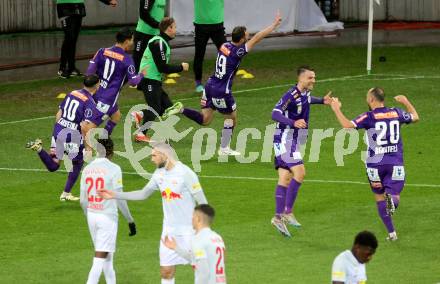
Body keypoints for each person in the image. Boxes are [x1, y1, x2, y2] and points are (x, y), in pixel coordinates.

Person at [162, 12, 282, 156]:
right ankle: (224, 148)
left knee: (205, 120)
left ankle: (181, 109)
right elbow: (257, 38)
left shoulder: (224, 45)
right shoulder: (238, 52)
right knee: (232, 118)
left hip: (210, 85)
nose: (249, 36)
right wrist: (274, 25)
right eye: (247, 34)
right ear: (243, 38)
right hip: (221, 91)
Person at [98, 143, 208, 284]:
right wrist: (114, 194)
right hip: (168, 231)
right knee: (166, 271)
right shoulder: (159, 174)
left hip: (189, 231)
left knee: (201, 269)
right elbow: (143, 194)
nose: (152, 159)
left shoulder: (186, 173)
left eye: (154, 155)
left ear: (165, 155)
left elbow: (203, 203)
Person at [330, 88, 419, 241]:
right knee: (394, 195)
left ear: (371, 99)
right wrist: (405, 102)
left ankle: (392, 233)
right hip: (394, 162)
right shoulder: (396, 113)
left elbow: (347, 125)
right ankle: (392, 202)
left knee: (379, 197)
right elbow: (415, 117)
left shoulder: (368, 116)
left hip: (374, 165)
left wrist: (336, 109)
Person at [270, 66, 332, 237]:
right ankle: (287, 212)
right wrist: (293, 122)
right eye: (310, 78)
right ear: (301, 79)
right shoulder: (290, 95)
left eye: (314, 77)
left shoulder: (304, 94)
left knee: (285, 178)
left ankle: (277, 217)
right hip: (285, 139)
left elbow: (307, 100)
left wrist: (322, 101)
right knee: (300, 172)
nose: (314, 80)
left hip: (291, 140)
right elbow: (275, 113)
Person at [26, 75, 101, 201]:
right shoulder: (90, 103)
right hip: (72, 137)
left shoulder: (72, 93)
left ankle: (39, 149)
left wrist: (57, 131)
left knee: (54, 165)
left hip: (58, 132)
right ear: (97, 85)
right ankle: (66, 193)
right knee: (78, 163)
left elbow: (59, 113)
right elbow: (84, 127)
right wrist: (88, 148)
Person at [80, 138, 137, 284]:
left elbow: (82, 200)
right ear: (111, 152)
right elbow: (119, 198)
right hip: (107, 218)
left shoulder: (87, 169)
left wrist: (89, 215)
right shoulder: (114, 169)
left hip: (92, 216)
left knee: (107, 257)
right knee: (100, 257)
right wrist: (130, 220)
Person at [131, 17, 189, 143]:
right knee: (155, 108)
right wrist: (181, 67)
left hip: (153, 79)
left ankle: (140, 114)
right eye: (175, 27)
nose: (176, 30)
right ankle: (141, 133)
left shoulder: (161, 42)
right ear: (169, 28)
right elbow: (162, 67)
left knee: (167, 107)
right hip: (149, 79)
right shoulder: (159, 43)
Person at [85, 27, 144, 136]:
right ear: (127, 41)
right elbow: (133, 82)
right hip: (108, 98)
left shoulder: (102, 51)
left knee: (116, 116)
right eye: (132, 40)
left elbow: (89, 72)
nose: (132, 42)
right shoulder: (127, 59)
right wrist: (142, 74)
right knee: (89, 127)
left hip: (95, 92)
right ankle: (78, 146)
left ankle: (104, 138)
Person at [163, 204, 226, 284]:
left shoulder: (198, 239)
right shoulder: (218, 238)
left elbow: (204, 272)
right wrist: (176, 248)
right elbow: (196, 259)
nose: (191, 219)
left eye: (193, 216)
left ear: (198, 219)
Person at [56, 0, 117, 79]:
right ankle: (62, 68)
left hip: (78, 7)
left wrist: (108, 1)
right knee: (69, 37)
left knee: (73, 39)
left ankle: (71, 68)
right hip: (64, 7)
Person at [193, 0, 227, 93]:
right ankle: (198, 83)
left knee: (226, 54)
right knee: (199, 55)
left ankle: (223, 81)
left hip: (217, 26)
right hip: (201, 26)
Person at [132, 0, 166, 72]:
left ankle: (147, 82)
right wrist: (157, 25)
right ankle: (134, 81)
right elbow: (143, 14)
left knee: (152, 63)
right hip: (143, 34)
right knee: (137, 62)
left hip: (156, 35)